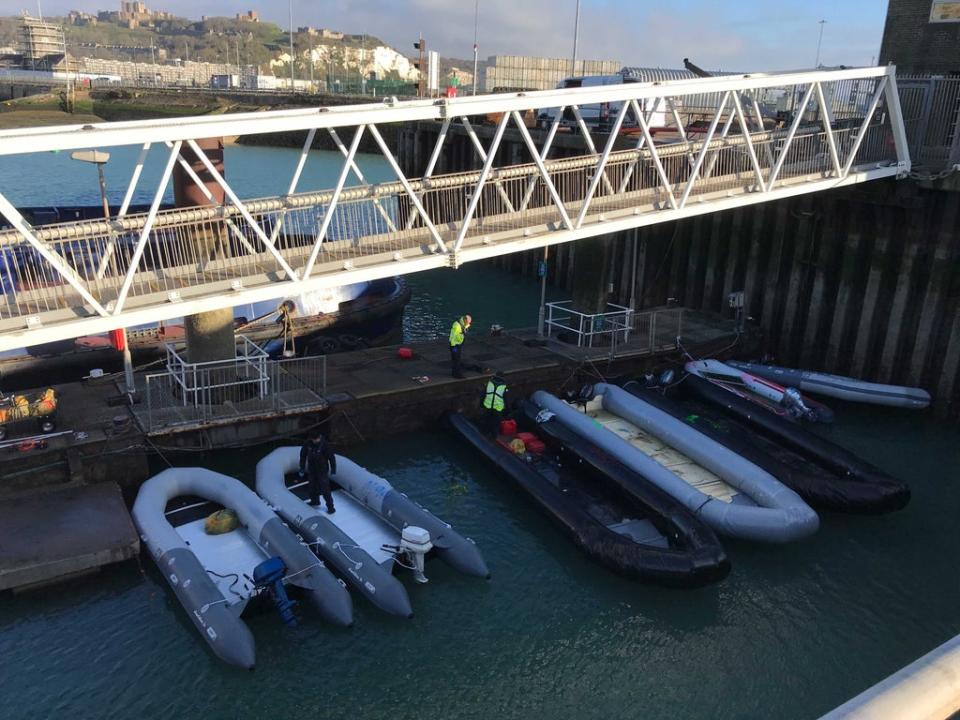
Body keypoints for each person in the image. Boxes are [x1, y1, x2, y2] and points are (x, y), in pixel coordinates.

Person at [299, 431, 337, 514]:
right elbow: (303, 455)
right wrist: (302, 467)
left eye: (317, 439)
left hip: (322, 470)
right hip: (312, 470)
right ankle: (315, 501)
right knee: (312, 486)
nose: (316, 441)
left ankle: (330, 507)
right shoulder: (307, 444)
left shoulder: (325, 445)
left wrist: (333, 469)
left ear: (319, 437)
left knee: (325, 489)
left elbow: (331, 457)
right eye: (314, 439)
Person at [449, 314, 472, 379]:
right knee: (456, 360)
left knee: (457, 359)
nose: (468, 324)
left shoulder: (462, 325)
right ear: (465, 320)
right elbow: (452, 337)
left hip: (458, 344)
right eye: (468, 322)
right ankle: (456, 374)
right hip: (455, 346)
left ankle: (455, 372)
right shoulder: (457, 326)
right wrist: (453, 347)